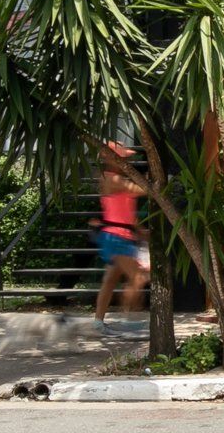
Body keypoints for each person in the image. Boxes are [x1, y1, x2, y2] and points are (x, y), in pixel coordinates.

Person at [91, 142, 150, 333]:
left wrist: (140, 230)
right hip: (117, 238)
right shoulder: (113, 179)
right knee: (139, 277)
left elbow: (125, 212)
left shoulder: (115, 179)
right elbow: (141, 190)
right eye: (123, 157)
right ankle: (128, 319)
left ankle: (99, 322)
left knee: (110, 280)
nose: (127, 161)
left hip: (116, 235)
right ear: (111, 158)